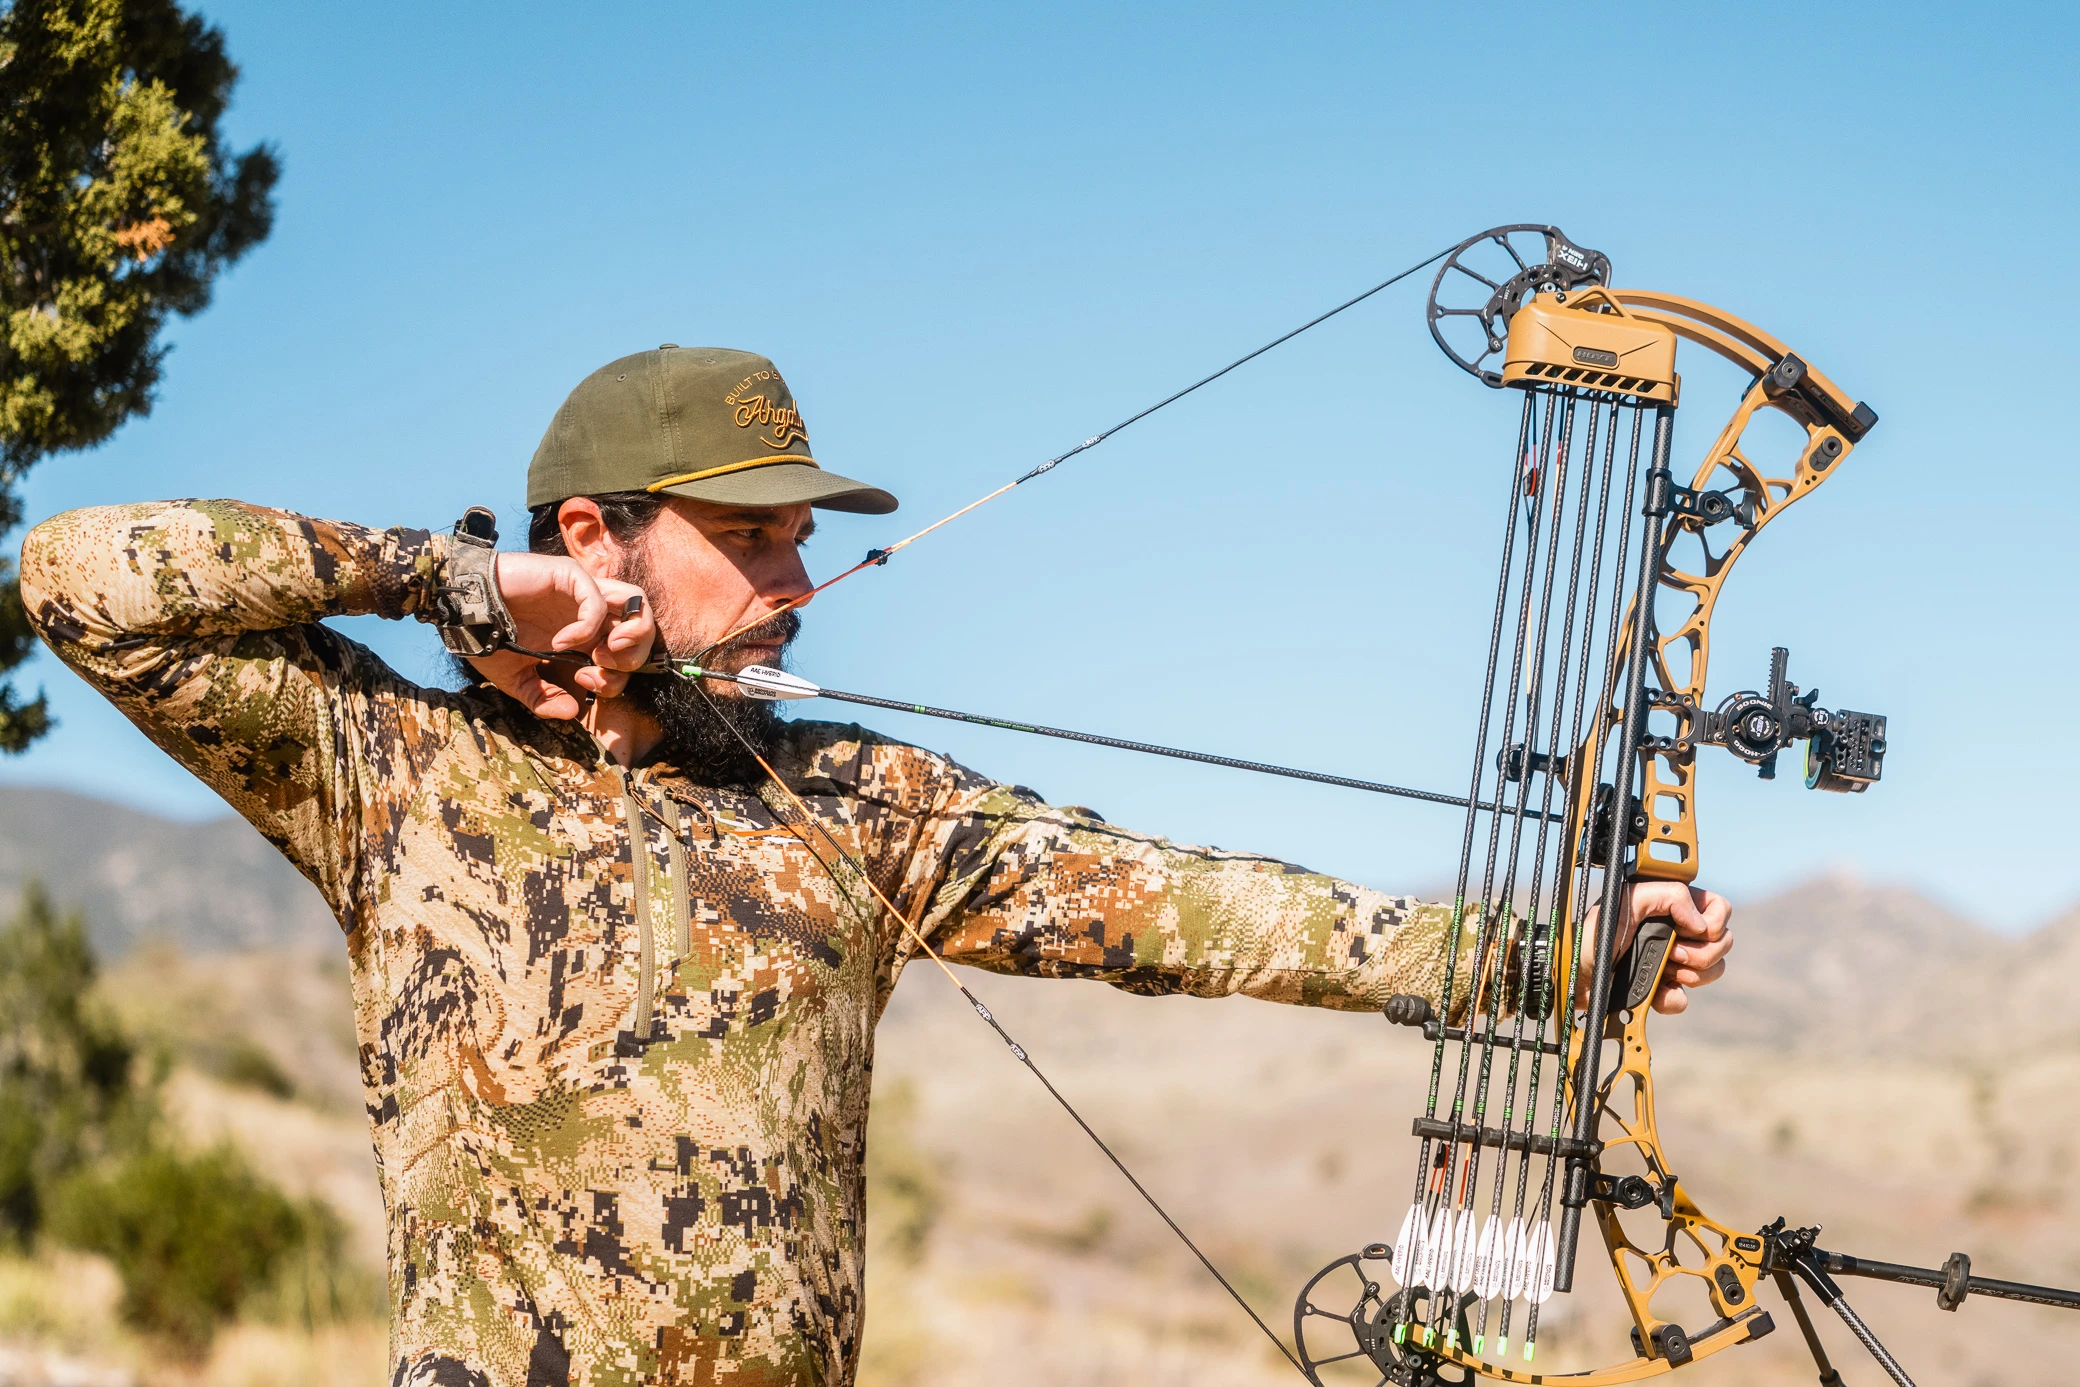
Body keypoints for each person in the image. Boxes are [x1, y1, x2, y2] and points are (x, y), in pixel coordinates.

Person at [17, 346, 1731, 1387]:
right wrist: (443, 582)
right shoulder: (392, 765)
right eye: (749, 535)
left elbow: (1203, 909)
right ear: (590, 537)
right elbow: (77, 575)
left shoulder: (854, 800)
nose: (797, 578)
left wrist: (1560, 948)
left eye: (801, 540)